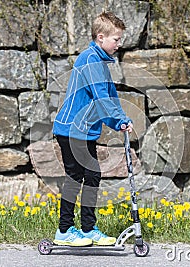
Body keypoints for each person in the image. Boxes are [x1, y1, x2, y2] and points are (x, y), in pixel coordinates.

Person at [52, 11, 133, 247]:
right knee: (75, 177)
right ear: (101, 37)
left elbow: (110, 98)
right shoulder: (89, 60)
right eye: (116, 39)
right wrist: (118, 119)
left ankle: (88, 229)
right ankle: (64, 230)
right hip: (71, 130)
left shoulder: (99, 62)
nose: (119, 44)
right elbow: (101, 100)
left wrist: (119, 121)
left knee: (93, 175)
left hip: (84, 131)